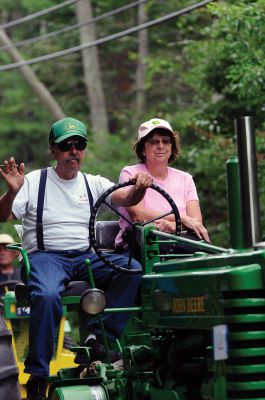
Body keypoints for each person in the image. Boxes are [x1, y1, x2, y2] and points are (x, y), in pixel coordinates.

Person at [0, 117, 153, 400]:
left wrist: (140, 187)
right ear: (53, 151)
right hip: (46, 257)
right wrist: (11, 191)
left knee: (131, 268)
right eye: (66, 145)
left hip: (86, 256)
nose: (73, 151)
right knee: (46, 295)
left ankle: (98, 339)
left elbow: (126, 197)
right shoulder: (34, 182)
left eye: (79, 144)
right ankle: (38, 373)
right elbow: (3, 215)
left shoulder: (93, 183)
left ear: (84, 149)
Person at [115, 118, 209, 253]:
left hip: (180, 242)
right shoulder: (130, 173)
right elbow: (138, 215)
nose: (161, 146)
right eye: (154, 142)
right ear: (142, 149)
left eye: (166, 141)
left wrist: (174, 226)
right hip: (140, 248)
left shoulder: (185, 179)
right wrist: (181, 219)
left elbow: (196, 221)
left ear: (172, 148)